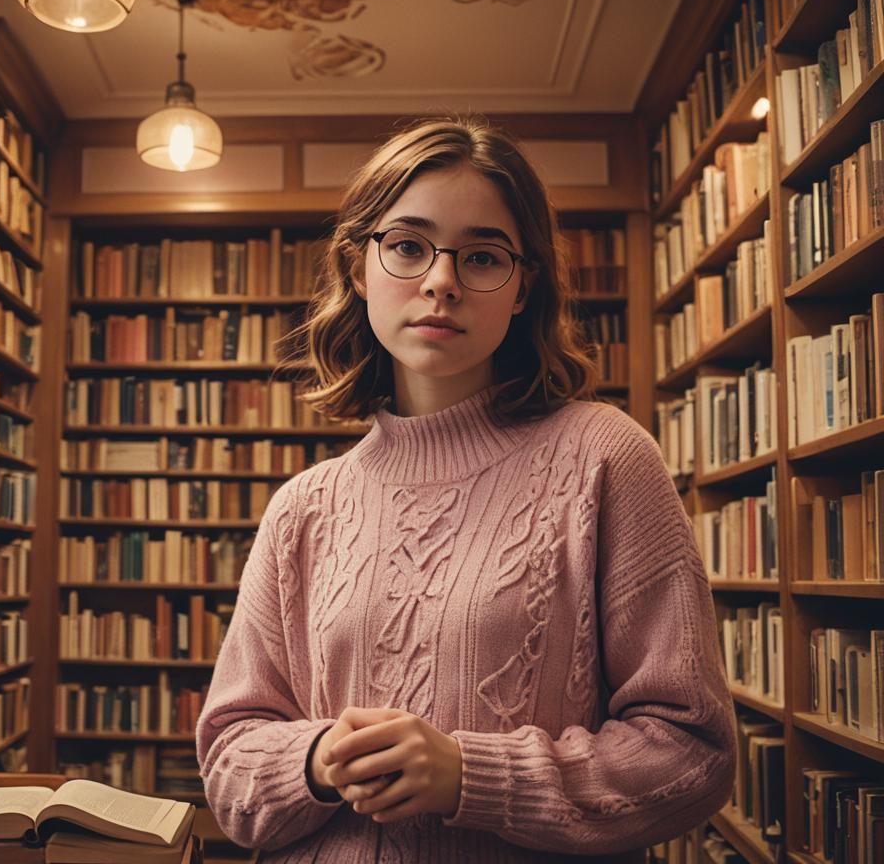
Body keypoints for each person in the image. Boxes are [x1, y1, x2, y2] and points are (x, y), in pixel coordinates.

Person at [195, 117, 737, 863]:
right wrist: (316, 761)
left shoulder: (602, 457)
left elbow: (693, 751)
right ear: (359, 268)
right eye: (409, 246)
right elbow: (227, 766)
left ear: (522, 289)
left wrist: (471, 777)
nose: (441, 281)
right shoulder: (304, 507)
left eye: (482, 256)